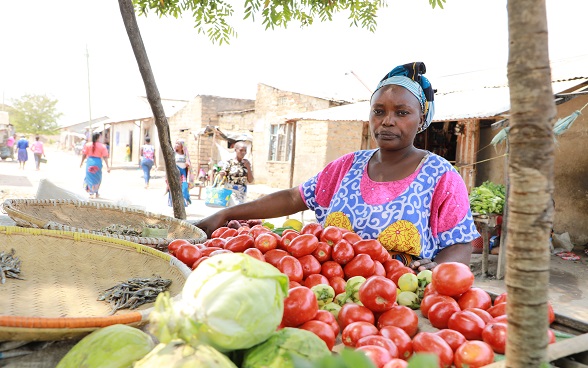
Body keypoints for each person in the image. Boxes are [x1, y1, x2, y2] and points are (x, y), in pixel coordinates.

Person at [196, 62, 480, 271]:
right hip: (328, 289)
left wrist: (440, 270)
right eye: (379, 111)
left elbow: (460, 243)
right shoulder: (348, 166)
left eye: (402, 113)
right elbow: (294, 197)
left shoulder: (440, 175)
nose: (387, 121)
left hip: (400, 304)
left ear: (421, 119)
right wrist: (227, 213)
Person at [217, 141, 254, 205]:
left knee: (240, 212)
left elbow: (250, 180)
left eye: (245, 151)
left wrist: (248, 167)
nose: (243, 153)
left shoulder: (246, 163)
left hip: (242, 193)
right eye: (241, 150)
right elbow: (221, 178)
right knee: (235, 209)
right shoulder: (229, 163)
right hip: (231, 192)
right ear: (235, 150)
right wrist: (221, 175)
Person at [80, 132, 110, 199]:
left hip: (89, 162)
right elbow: (105, 156)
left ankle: (91, 192)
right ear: (98, 137)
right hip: (98, 162)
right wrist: (108, 166)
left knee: (89, 177)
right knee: (97, 177)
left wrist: (81, 162)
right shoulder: (102, 146)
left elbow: (84, 154)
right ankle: (96, 192)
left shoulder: (87, 145)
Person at [167, 139, 192, 206]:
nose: (176, 145)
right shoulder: (173, 154)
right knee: (174, 189)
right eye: (176, 143)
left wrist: (188, 164)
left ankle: (183, 204)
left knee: (184, 188)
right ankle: (174, 206)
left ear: (182, 146)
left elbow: (189, 164)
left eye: (178, 144)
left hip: (183, 173)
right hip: (175, 173)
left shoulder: (185, 155)